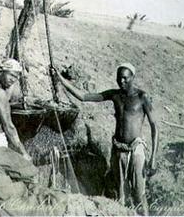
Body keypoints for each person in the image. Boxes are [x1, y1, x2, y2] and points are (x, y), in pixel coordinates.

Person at [52, 63, 158, 215]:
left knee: (139, 193)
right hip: (118, 150)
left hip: (136, 151)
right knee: (119, 192)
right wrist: (61, 79)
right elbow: (84, 97)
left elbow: (155, 127)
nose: (121, 81)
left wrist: (153, 158)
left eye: (125, 78)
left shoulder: (142, 97)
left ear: (132, 78)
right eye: (119, 78)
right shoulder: (114, 95)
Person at [0, 59, 30, 159]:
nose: (13, 80)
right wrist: (23, 152)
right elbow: (8, 126)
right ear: (0, 72)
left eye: (16, 77)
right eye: (11, 75)